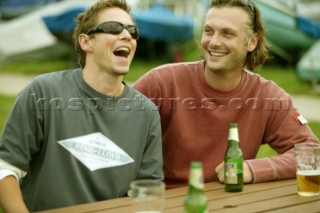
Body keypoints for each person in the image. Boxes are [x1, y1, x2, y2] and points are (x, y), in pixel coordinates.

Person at [133, 0, 320, 189]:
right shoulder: (161, 83)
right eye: (208, 31)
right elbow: (109, 134)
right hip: (167, 201)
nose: (213, 42)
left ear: (252, 42)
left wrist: (253, 169)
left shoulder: (268, 97)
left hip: (232, 202)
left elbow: (313, 154)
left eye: (227, 33)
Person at [0, 0, 163, 212]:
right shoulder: (43, 93)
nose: (126, 36)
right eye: (114, 28)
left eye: (132, 31)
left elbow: (146, 193)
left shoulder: (147, 113)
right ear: (86, 42)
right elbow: (5, 170)